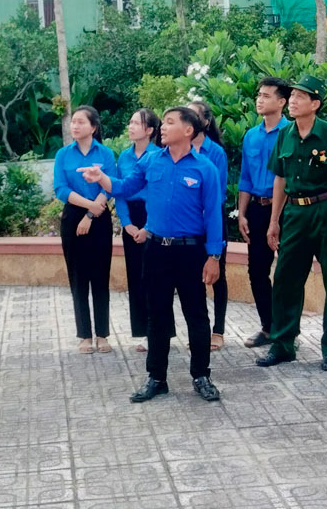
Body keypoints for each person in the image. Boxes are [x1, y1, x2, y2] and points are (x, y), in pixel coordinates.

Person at [80, 107, 224, 403]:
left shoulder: (205, 168)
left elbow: (213, 215)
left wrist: (214, 256)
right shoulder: (151, 160)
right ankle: (157, 378)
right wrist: (102, 178)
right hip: (157, 250)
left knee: (196, 315)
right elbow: (124, 187)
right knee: (157, 315)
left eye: (170, 122)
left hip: (191, 251)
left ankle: (201, 375)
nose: (163, 127)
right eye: (164, 122)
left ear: (188, 130)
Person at [257, 75, 327, 371]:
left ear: (315, 104)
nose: (293, 101)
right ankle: (283, 344)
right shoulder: (285, 135)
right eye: (292, 96)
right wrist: (274, 221)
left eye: (301, 97)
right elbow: (280, 178)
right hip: (295, 213)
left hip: (326, 210)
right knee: (285, 278)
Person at [52, 106, 117, 354]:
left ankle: (102, 334)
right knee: (78, 278)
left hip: (99, 217)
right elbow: (61, 189)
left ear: (93, 127)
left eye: (80, 122)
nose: (75, 126)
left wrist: (91, 214)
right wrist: (88, 207)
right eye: (73, 122)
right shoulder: (63, 155)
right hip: (73, 217)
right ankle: (84, 335)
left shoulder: (106, 153)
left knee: (100, 277)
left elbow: (109, 186)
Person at [237, 77, 292, 348]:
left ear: (282, 102)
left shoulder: (291, 133)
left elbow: (289, 178)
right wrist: (242, 213)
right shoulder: (251, 135)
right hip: (257, 210)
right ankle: (269, 327)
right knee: (257, 271)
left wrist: (276, 219)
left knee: (288, 273)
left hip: (286, 211)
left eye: (266, 96)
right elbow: (245, 177)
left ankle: (288, 331)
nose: (260, 100)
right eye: (259, 95)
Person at [117, 108, 161, 353]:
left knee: (155, 276)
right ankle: (142, 331)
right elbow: (119, 191)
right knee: (135, 275)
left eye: (137, 123)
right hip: (131, 219)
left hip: (152, 218)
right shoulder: (124, 157)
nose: (131, 126)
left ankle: (160, 331)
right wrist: (126, 223)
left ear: (150, 130)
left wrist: (147, 226)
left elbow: (158, 194)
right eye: (130, 122)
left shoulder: (158, 155)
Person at [189, 101, 230, 351]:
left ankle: (218, 330)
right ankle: (199, 330)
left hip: (212, 220)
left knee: (217, 276)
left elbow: (219, 193)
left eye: (194, 115)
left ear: (205, 122)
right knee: (193, 278)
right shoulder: (178, 150)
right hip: (189, 225)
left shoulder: (215, 153)